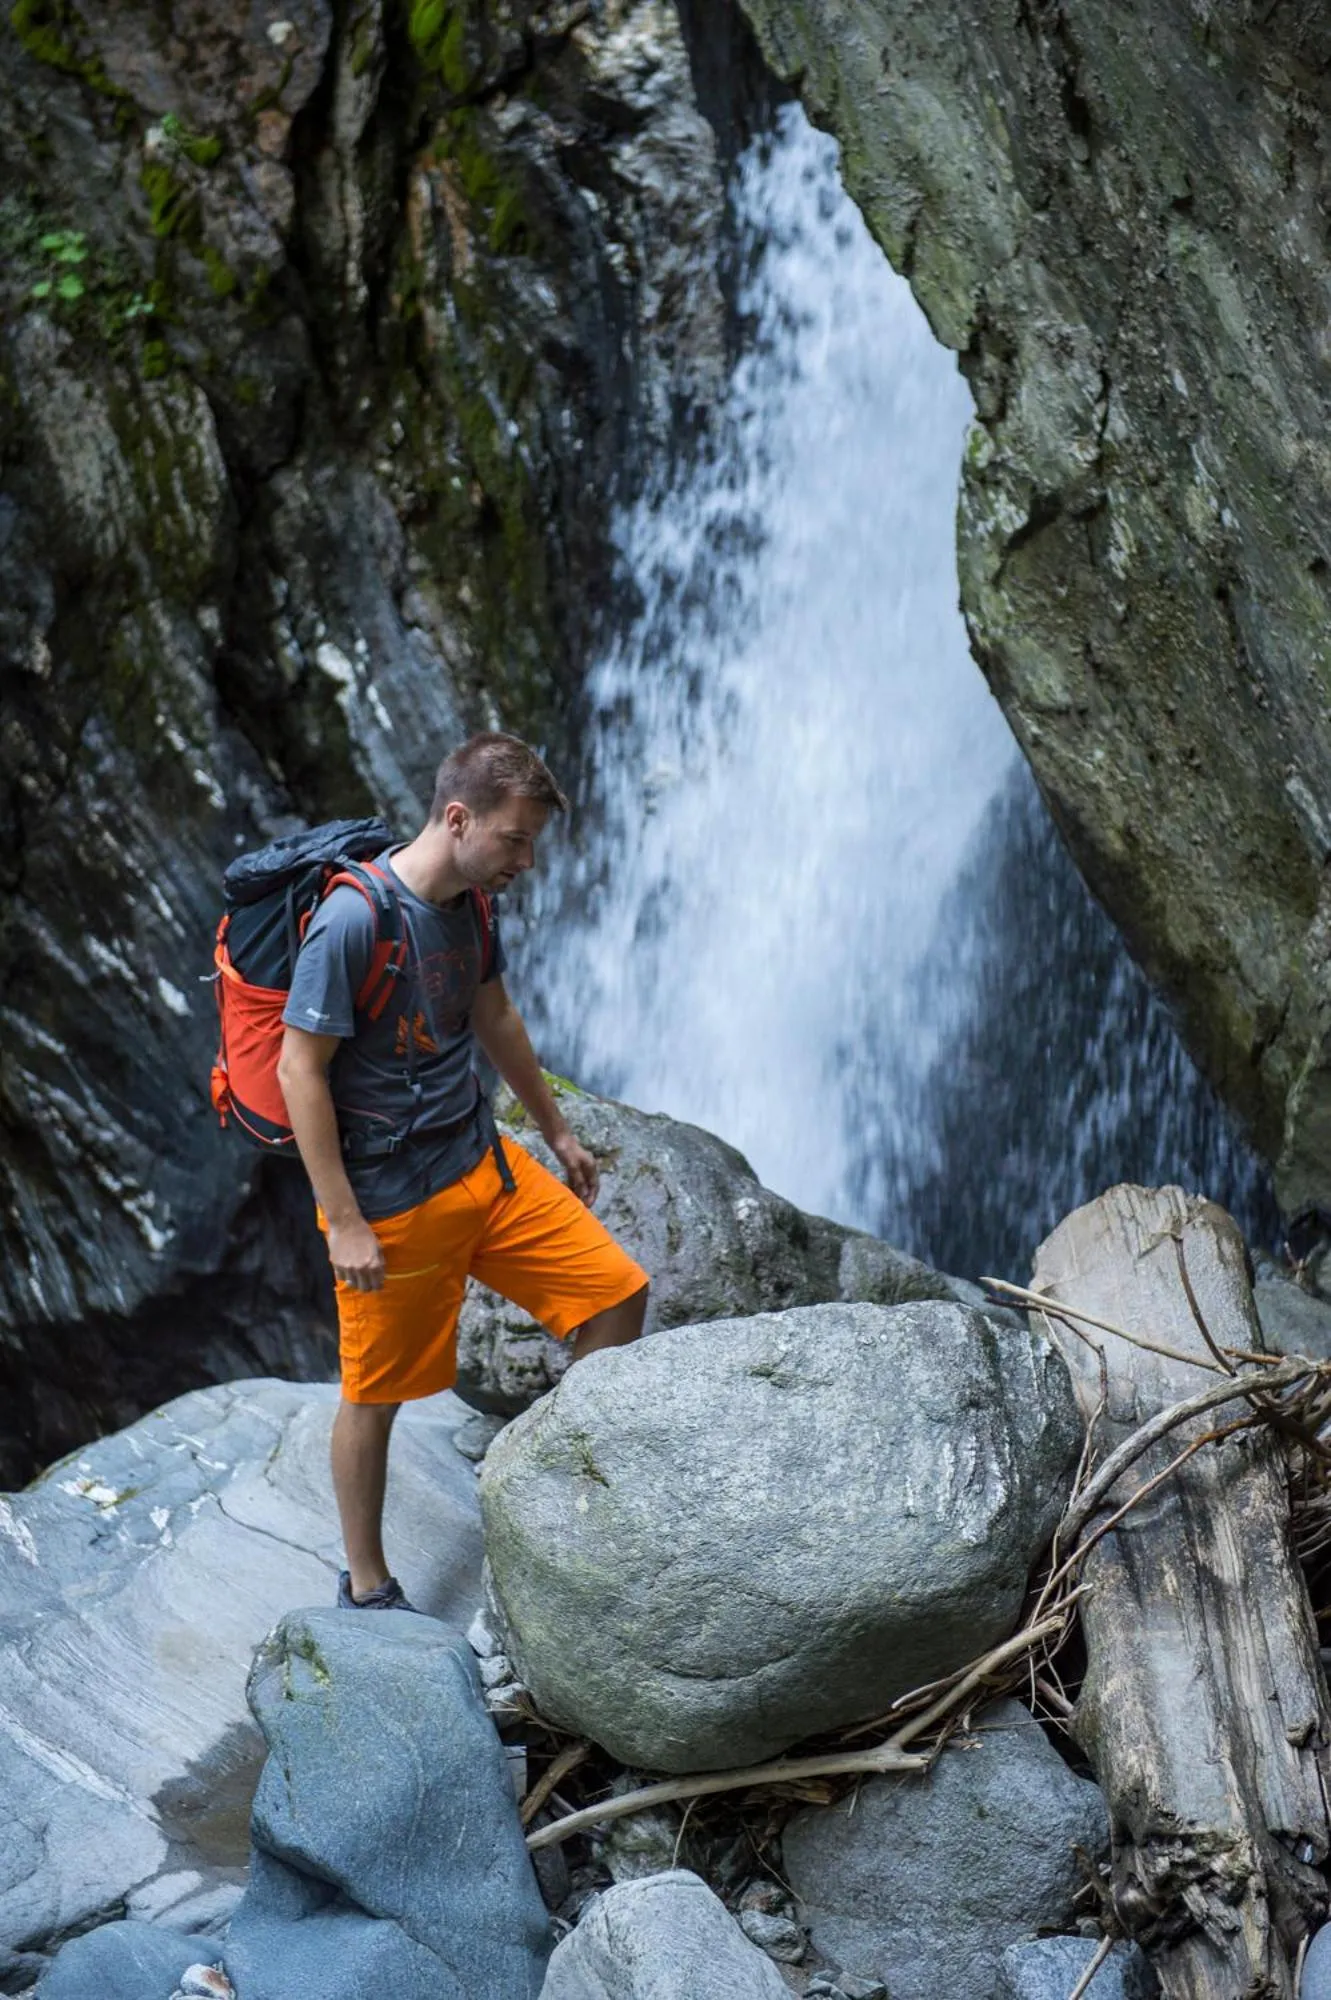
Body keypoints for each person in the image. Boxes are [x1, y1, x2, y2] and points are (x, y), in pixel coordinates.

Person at [277, 732, 649, 1610]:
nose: (525, 860)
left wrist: (556, 1132)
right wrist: (344, 1221)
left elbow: (497, 1015)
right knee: (374, 1394)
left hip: (486, 1165)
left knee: (615, 1297)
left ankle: (552, 1485)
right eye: (514, 840)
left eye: (530, 843)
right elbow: (300, 1071)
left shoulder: (474, 905)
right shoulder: (353, 920)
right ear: (457, 818)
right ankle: (365, 1585)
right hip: (394, 1204)